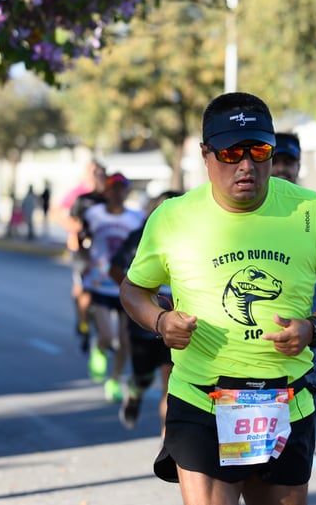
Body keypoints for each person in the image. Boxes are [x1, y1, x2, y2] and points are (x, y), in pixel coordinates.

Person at [119, 92, 316, 505]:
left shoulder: (309, 211)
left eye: (259, 151)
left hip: (286, 403)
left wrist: (314, 326)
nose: (246, 165)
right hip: (202, 400)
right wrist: (160, 322)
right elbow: (133, 288)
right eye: (231, 152)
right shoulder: (174, 217)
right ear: (206, 155)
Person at [109, 190, 183, 433]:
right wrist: (137, 293)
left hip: (178, 323)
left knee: (170, 384)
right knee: (144, 378)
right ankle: (135, 393)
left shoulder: (191, 236)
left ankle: (167, 441)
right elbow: (115, 269)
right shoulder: (138, 237)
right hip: (145, 324)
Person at [270, 132, 316, 428]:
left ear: (299, 165)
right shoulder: (249, 208)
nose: (281, 168)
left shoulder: (312, 210)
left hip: (307, 319)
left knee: (310, 393)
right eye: (274, 160)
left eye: (287, 161)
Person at [81, 172, 145, 402]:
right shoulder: (94, 214)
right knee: (107, 335)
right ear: (107, 191)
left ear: (127, 192)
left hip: (126, 283)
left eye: (122, 188)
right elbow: (81, 239)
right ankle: (99, 348)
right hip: (100, 283)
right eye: (114, 188)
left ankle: (115, 379)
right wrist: (86, 259)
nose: (118, 193)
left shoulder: (137, 218)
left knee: (125, 340)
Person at [63, 162, 108, 353]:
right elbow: (69, 219)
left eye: (102, 174)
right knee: (82, 291)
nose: (99, 178)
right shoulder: (83, 199)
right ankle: (83, 324)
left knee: (103, 293)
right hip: (83, 250)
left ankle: (105, 332)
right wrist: (79, 232)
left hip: (104, 253)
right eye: (95, 174)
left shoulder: (109, 199)